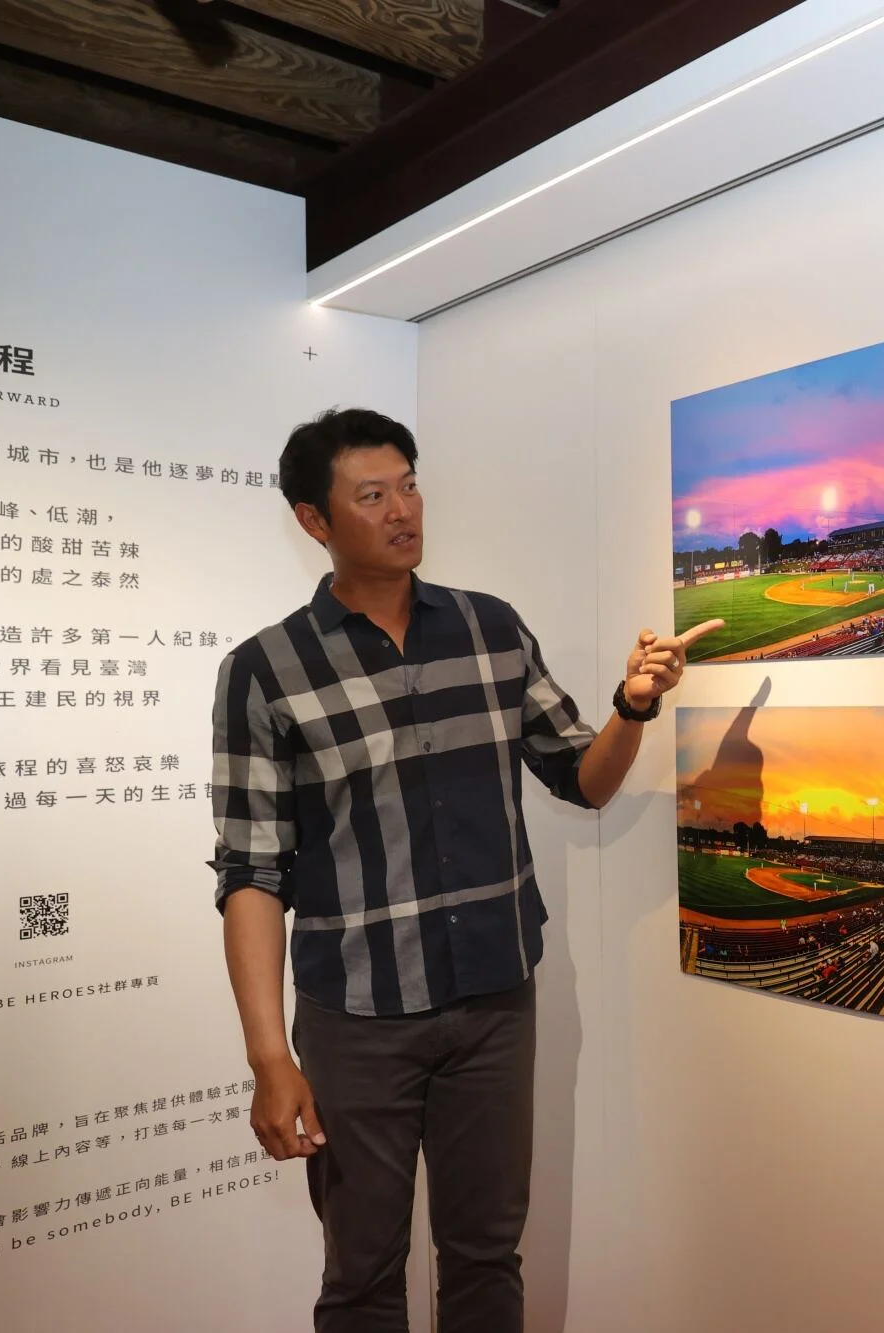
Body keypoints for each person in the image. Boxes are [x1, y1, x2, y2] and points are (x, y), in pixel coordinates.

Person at [210, 410, 721, 1333]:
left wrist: (633, 706)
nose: (403, 510)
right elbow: (250, 870)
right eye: (372, 495)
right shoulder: (266, 670)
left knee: (486, 1257)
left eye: (409, 485)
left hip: (493, 1000)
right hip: (356, 1017)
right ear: (314, 521)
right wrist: (268, 1057)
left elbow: (583, 777)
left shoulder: (490, 628)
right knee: (362, 1274)